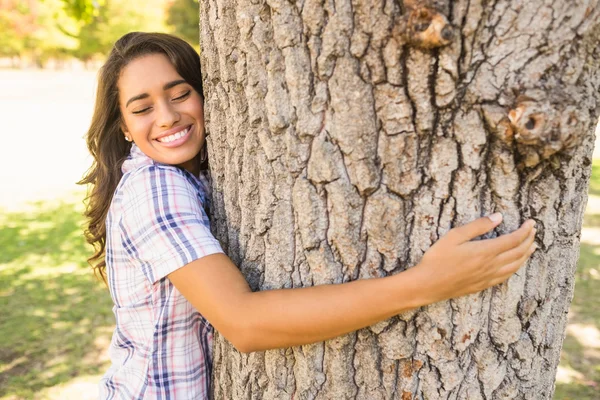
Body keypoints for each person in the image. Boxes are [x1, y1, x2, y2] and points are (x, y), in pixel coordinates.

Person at [79, 32, 537, 399]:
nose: (166, 117)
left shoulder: (190, 177)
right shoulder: (154, 187)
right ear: (122, 124)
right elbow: (244, 322)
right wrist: (426, 284)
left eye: (181, 94)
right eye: (141, 108)